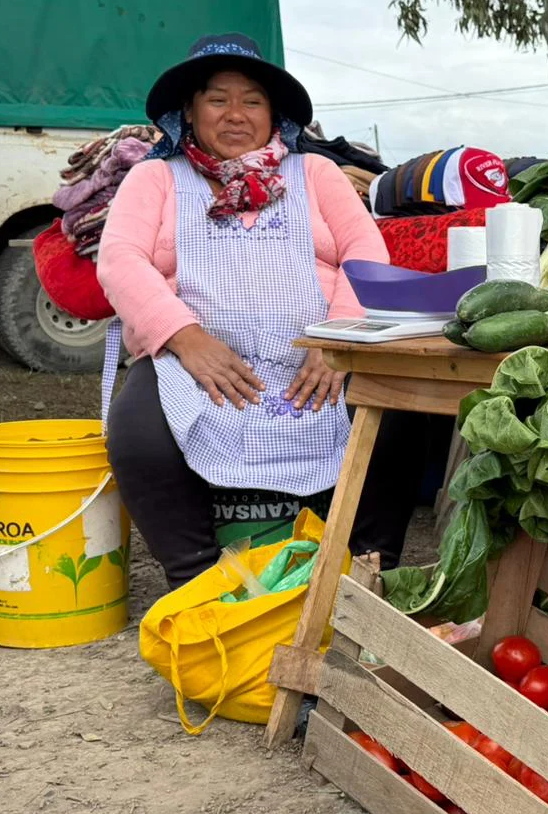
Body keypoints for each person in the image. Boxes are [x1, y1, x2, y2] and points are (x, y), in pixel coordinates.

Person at [99, 33, 431, 587]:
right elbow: (119, 261)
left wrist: (339, 341)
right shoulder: (155, 178)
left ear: (273, 113)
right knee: (137, 433)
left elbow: (365, 253)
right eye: (217, 99)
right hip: (193, 362)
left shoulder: (316, 173)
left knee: (397, 412)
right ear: (189, 111)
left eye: (252, 101)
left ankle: (372, 572)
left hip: (320, 358)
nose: (236, 114)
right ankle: (197, 581)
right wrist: (185, 338)